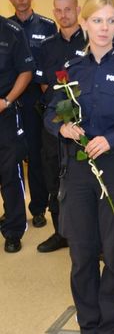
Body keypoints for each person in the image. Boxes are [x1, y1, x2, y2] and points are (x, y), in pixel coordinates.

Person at [44, 0, 114, 333]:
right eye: (98, 20)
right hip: (77, 171)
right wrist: (62, 128)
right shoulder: (70, 70)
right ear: (84, 23)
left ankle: (110, 325)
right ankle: (89, 324)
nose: (105, 28)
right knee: (82, 254)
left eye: (111, 21)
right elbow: (49, 112)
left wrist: (113, 138)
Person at [34, 0, 86, 253]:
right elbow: (45, 84)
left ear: (78, 9)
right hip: (54, 121)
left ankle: (89, 236)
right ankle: (60, 232)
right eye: (58, 10)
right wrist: (59, 113)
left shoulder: (90, 41)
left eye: (68, 9)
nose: (63, 15)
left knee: (85, 178)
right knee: (53, 177)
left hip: (84, 121)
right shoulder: (47, 46)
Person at [8, 0, 56, 229]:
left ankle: (38, 207)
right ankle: (12, 209)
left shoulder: (47, 26)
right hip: (10, 99)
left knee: (37, 156)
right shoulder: (5, 28)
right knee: (11, 157)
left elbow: (51, 62)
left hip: (36, 98)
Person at [0, 15, 34, 252]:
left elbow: (26, 71)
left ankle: (13, 230)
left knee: (10, 172)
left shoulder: (11, 31)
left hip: (4, 114)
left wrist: (7, 101)